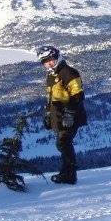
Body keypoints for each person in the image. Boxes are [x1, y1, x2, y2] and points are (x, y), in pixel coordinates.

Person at [37, 45, 87, 184]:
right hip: (58, 115)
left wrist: (70, 113)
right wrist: (48, 114)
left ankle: (70, 175)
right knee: (62, 144)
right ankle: (66, 172)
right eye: (44, 61)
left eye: (50, 59)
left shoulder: (69, 72)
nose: (48, 63)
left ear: (57, 57)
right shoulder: (51, 75)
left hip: (70, 114)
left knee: (64, 142)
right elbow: (51, 96)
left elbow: (78, 95)